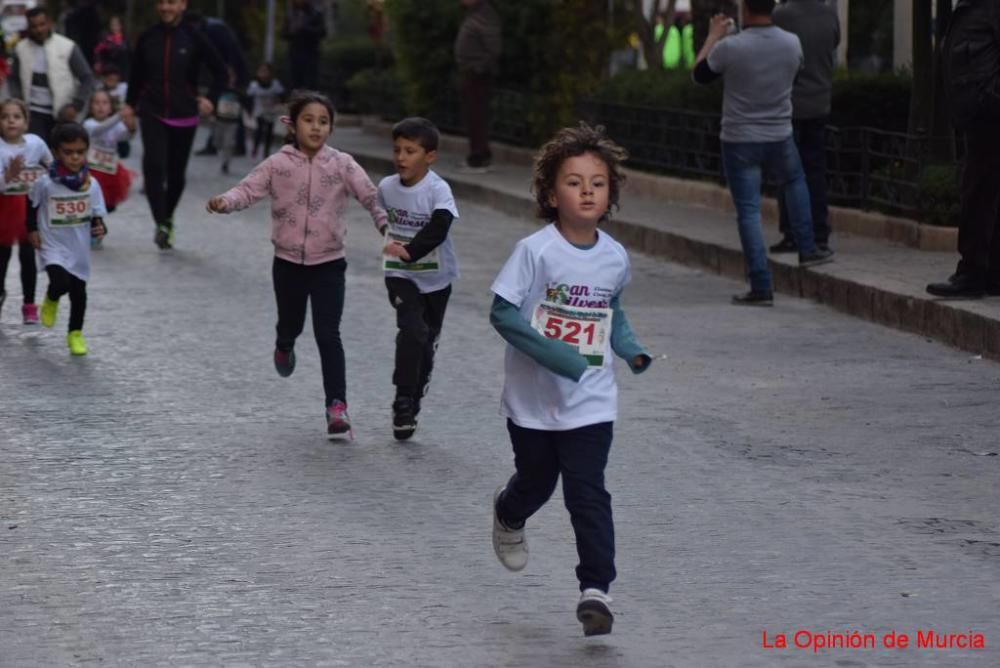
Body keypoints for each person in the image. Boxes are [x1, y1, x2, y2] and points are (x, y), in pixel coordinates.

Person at [489, 123, 652, 637]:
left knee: (587, 492)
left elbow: (611, 309)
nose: (587, 191)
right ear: (550, 193)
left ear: (610, 194)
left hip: (591, 402)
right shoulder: (535, 251)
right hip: (533, 402)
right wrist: (557, 355)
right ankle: (508, 513)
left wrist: (630, 349)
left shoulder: (615, 256)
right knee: (536, 483)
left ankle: (596, 590)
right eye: (574, 181)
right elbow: (503, 315)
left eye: (598, 183)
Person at [206, 91, 389, 439]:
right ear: (293, 124)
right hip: (287, 263)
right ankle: (284, 343)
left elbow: (371, 196)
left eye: (323, 121)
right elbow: (247, 190)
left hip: (330, 264)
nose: (316, 127)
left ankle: (337, 406)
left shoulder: (343, 164)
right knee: (291, 322)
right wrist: (223, 202)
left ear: (331, 128)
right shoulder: (277, 164)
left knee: (328, 333)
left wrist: (385, 225)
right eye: (309, 120)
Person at [693, 1, 834, 306]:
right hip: (780, 133)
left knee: (749, 211)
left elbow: (700, 74)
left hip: (739, 138)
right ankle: (808, 248)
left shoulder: (731, 47)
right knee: (795, 182)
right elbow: (796, 76)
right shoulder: (791, 42)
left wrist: (713, 35)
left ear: (744, 8)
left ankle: (761, 285)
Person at [379, 118, 460, 440]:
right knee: (412, 328)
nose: (401, 157)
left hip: (437, 279)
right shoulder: (386, 187)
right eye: (397, 150)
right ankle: (401, 399)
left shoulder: (438, 189)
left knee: (426, 340)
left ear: (430, 156)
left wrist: (413, 250)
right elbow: (378, 216)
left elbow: (441, 225)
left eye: (410, 151)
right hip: (399, 274)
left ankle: (414, 400)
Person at [124, 0, 227, 250]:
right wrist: (129, 106)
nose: (164, 8)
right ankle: (160, 222)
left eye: (171, 2)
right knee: (153, 166)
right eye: (160, 3)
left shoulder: (194, 36)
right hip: (152, 110)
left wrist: (210, 99)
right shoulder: (148, 37)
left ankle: (168, 217)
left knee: (175, 173)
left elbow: (221, 72)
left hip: (184, 113)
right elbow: (135, 75)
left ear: (182, 5)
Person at [926, 0, 1000, 299]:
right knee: (985, 190)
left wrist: (991, 98)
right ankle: (988, 273)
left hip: (989, 113)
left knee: (979, 191)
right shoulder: (973, 9)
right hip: (980, 114)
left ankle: (972, 273)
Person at [25, 122, 108, 355]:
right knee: (61, 282)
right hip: (52, 244)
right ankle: (52, 297)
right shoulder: (45, 183)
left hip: (78, 246)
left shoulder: (91, 185)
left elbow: (96, 215)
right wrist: (31, 230)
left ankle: (75, 333)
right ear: (56, 152)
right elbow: (31, 205)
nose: (74, 158)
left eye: (80, 152)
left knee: (79, 291)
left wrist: (100, 228)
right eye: (68, 152)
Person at [770, 0, 840, 253]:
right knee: (816, 171)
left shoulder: (781, 15)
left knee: (788, 172)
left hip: (789, 104)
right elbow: (834, 43)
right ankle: (820, 233)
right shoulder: (829, 15)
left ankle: (791, 233)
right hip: (820, 102)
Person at [8, 7, 96, 140]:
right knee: (36, 157)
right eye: (34, 26)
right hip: (32, 115)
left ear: (49, 23)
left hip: (62, 115)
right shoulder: (21, 49)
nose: (39, 30)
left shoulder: (67, 46)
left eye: (42, 24)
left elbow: (87, 78)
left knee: (61, 156)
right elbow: (13, 79)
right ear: (28, 27)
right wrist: (18, 102)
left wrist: (76, 105)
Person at [0, 98, 52, 324]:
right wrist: (9, 175)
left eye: (16, 117)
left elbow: (52, 167)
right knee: (1, 257)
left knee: (27, 255)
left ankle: (29, 304)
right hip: (3, 207)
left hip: (28, 208)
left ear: (26, 122)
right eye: (4, 117)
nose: (11, 121)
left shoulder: (36, 144)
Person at [187, 12, 250, 157]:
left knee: (229, 108)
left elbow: (230, 51)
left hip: (232, 73)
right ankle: (225, 145)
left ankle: (225, 145)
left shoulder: (214, 29)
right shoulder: (210, 27)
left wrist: (230, 74)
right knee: (226, 108)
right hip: (227, 72)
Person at [454, 0, 501, 172]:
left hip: (478, 75)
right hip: (470, 73)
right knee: (472, 116)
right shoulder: (474, 14)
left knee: (478, 115)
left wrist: (478, 67)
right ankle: (477, 154)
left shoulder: (485, 15)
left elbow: (492, 47)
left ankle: (480, 157)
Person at [83, 90, 135, 215]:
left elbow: (126, 136)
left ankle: (98, 224)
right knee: (88, 202)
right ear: (90, 107)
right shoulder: (89, 124)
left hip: (109, 172)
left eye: (105, 103)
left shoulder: (116, 125)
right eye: (96, 103)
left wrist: (131, 124)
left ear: (111, 107)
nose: (101, 106)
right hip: (91, 171)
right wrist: (119, 116)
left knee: (103, 207)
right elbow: (99, 129)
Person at [283, 0, 326, 91]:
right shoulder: (291, 15)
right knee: (295, 81)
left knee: (310, 82)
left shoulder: (316, 13)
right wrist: (291, 31)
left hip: (310, 53)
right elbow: (284, 34)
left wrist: (304, 28)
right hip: (295, 53)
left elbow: (322, 32)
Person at [247, 63, 284, 159]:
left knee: (269, 132)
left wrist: (280, 105)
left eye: (266, 71)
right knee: (259, 130)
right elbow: (249, 99)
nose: (264, 74)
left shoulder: (275, 84)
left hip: (271, 111)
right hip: (259, 111)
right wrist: (249, 111)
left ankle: (266, 151)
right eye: (261, 71)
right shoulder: (254, 85)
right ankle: (255, 149)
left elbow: (282, 95)